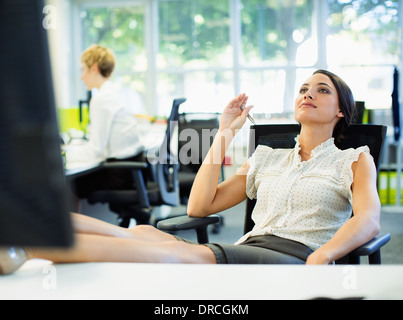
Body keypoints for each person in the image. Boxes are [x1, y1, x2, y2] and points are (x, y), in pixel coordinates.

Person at [0, 70, 381, 274]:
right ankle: (34, 226)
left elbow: (368, 220)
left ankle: (32, 247)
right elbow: (201, 206)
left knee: (177, 250)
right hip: (249, 248)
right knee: (149, 231)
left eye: (322, 90)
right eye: (303, 88)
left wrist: (323, 256)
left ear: (341, 111)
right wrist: (224, 134)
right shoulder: (267, 156)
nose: (308, 94)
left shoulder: (352, 158)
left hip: (297, 256)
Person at [66, 44, 150, 202]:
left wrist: (64, 156)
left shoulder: (101, 99)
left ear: (94, 68)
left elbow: (96, 150)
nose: (81, 77)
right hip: (133, 171)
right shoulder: (114, 93)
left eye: (83, 70)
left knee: (68, 184)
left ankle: (72, 227)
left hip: (119, 174)